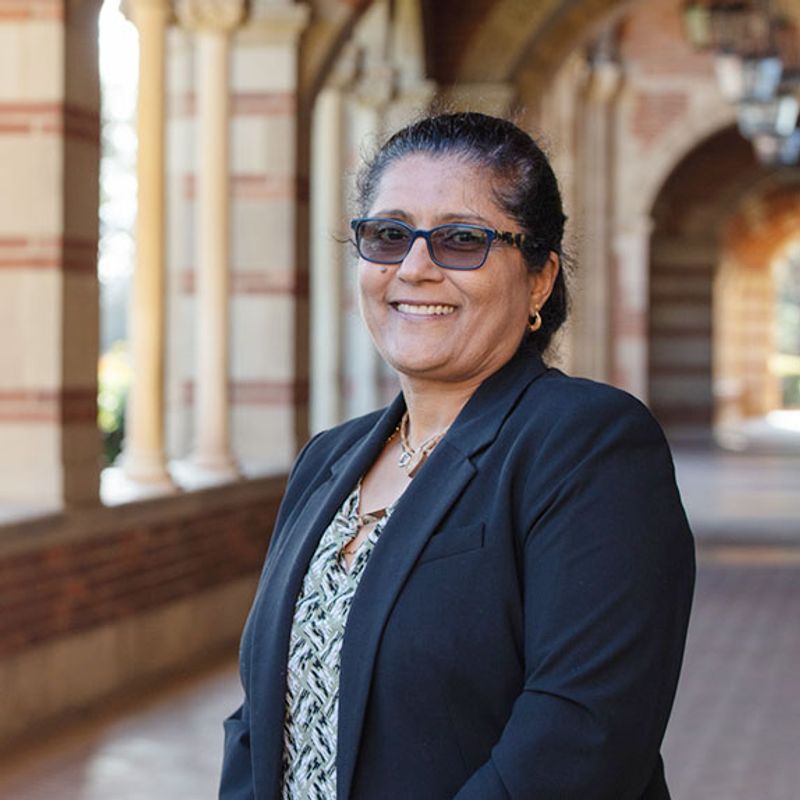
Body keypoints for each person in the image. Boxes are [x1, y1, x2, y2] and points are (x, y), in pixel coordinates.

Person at [219, 112, 695, 800]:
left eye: (462, 240)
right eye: (388, 236)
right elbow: (258, 723)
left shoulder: (589, 444)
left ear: (539, 279)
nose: (415, 268)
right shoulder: (329, 459)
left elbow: (578, 740)